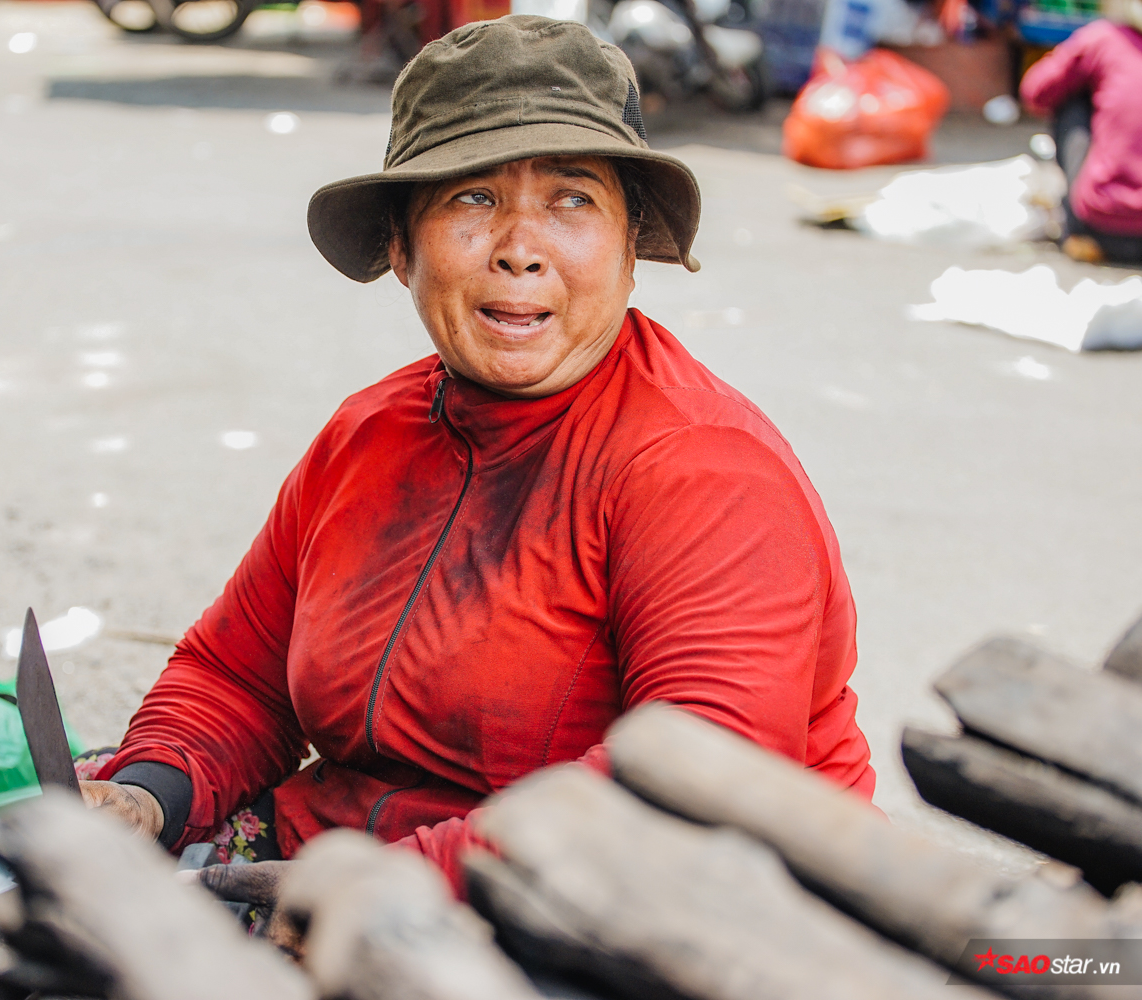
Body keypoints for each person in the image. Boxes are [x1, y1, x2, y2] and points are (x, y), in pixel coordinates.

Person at [81, 14, 875, 894]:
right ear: (399, 249)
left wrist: (387, 887)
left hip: (611, 910)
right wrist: (148, 792)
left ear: (629, 245)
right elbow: (238, 674)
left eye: (572, 199)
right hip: (346, 861)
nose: (519, 251)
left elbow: (692, 790)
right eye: (471, 199)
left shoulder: (701, 468)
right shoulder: (366, 434)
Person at [1020, 0, 1142, 265]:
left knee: (1072, 98)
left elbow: (1036, 92)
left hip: (1106, 226)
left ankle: (1078, 230)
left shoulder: (1103, 39)